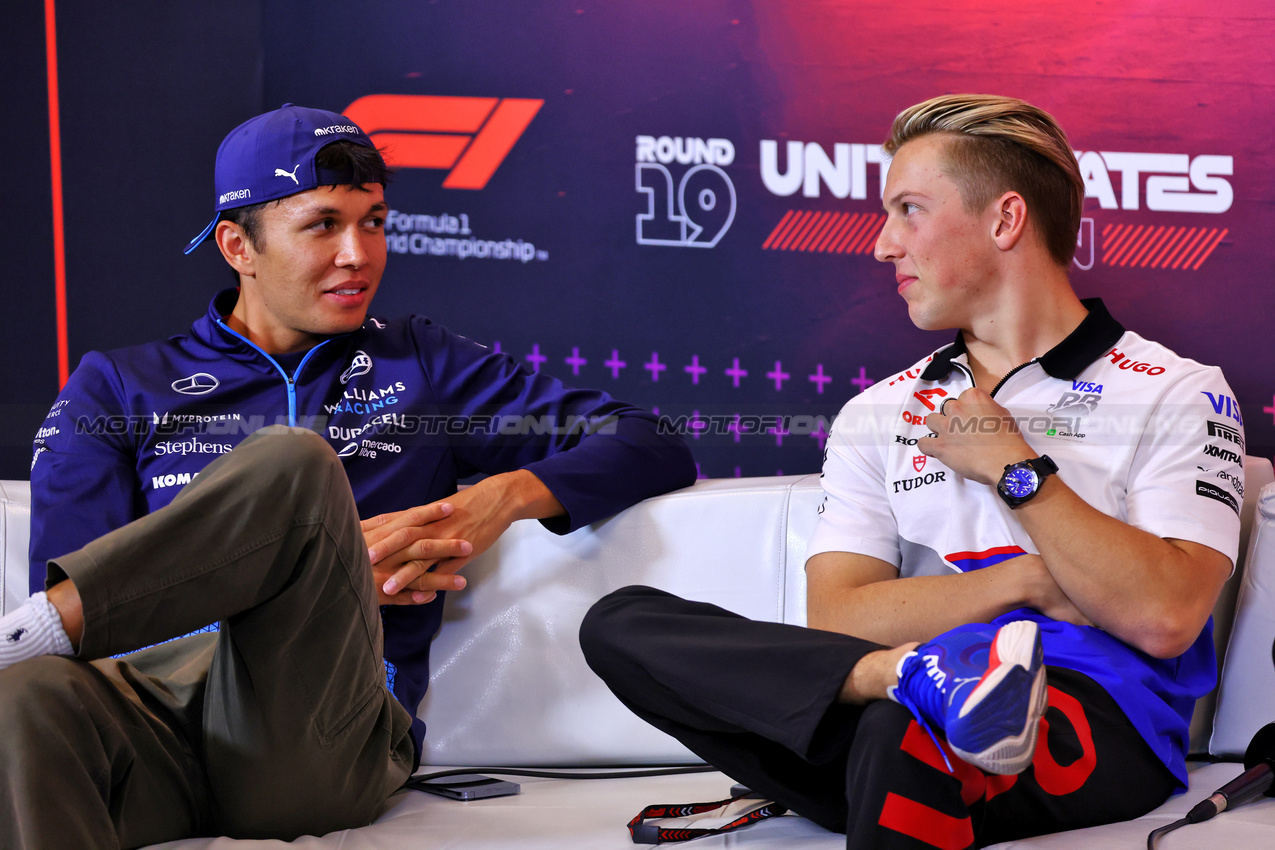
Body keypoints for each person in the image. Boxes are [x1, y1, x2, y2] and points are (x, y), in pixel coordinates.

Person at [0, 103, 696, 848]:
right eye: (323, 225)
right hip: (156, 724)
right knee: (25, 692)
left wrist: (494, 502)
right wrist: (292, 575)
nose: (358, 254)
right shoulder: (119, 385)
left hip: (318, 735)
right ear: (239, 245)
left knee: (293, 462)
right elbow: (83, 607)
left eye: (374, 222)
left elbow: (649, 439)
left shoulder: (420, 364)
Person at [580, 94, 1245, 848]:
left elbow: (1161, 617)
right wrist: (1029, 582)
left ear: (1003, 220)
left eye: (908, 210)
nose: (881, 244)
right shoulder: (878, 411)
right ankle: (917, 680)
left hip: (1091, 720)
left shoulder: (1174, 389)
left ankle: (917, 695)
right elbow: (836, 619)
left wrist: (1013, 466)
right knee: (620, 622)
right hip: (893, 696)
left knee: (901, 732)